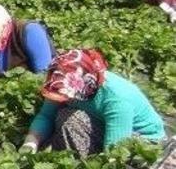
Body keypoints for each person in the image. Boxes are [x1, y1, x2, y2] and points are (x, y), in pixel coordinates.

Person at [21, 49, 165, 157]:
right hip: (101, 121)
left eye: (67, 94)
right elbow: (46, 115)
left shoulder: (116, 100)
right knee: (63, 114)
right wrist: (31, 141)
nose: (63, 96)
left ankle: (82, 160)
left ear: (84, 87)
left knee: (72, 121)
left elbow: (115, 152)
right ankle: (70, 151)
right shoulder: (62, 81)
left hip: (140, 139)